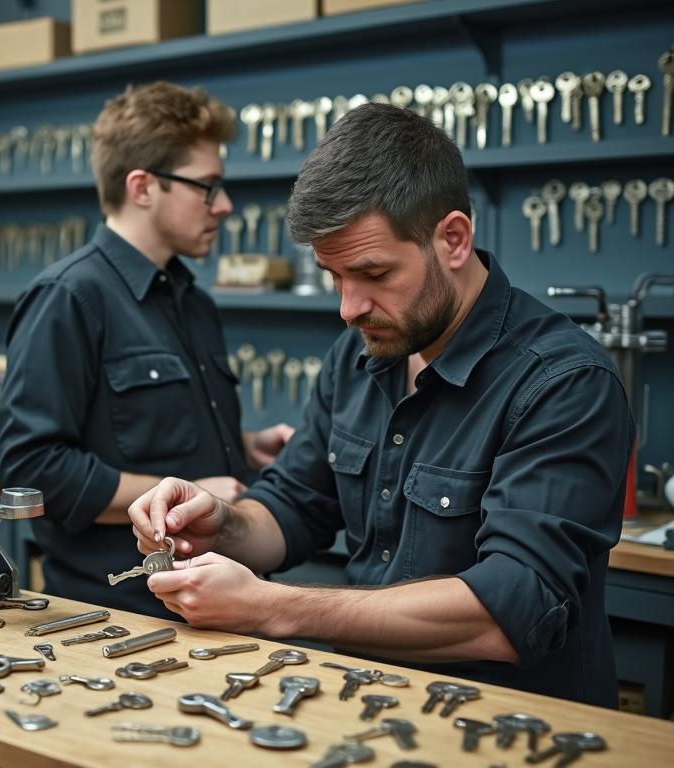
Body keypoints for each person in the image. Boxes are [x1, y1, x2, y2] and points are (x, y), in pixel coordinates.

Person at [127, 102, 634, 706]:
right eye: (334, 276)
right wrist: (222, 524)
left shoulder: (563, 381)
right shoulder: (362, 352)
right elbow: (295, 507)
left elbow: (511, 610)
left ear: (453, 239)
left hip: (517, 724)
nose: (349, 308)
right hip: (366, 703)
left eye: (373, 273)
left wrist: (270, 607)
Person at [0, 82, 293, 619]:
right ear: (142, 187)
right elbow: (33, 471)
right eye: (207, 187)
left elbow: (143, 433)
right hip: (120, 615)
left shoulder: (193, 302)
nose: (224, 205)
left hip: (220, 602)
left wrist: (246, 445)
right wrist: (184, 492)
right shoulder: (69, 297)